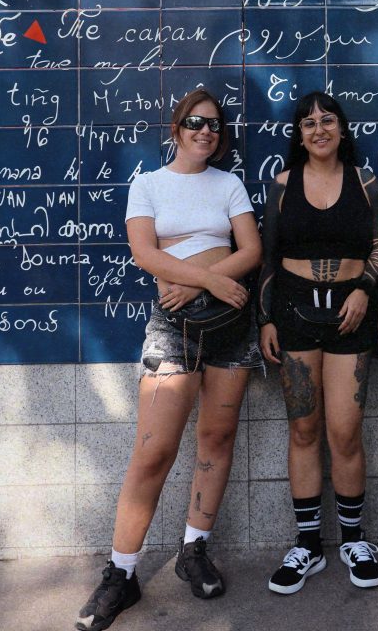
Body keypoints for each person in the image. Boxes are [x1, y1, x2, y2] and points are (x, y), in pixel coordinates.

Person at [76, 89, 262, 631]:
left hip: (231, 326)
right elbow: (144, 253)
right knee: (153, 452)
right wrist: (206, 277)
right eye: (196, 123)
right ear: (177, 128)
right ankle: (122, 573)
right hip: (176, 328)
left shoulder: (229, 184)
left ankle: (194, 550)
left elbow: (251, 250)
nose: (207, 132)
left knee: (217, 440)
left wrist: (206, 278)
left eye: (215, 126)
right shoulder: (148, 184)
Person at [258, 91, 378, 594]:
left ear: (341, 128)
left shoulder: (366, 182)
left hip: (353, 317)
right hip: (293, 314)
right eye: (308, 123)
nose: (318, 129)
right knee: (304, 430)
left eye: (327, 120)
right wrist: (265, 319)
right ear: (299, 134)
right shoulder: (283, 185)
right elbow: (267, 257)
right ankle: (308, 544)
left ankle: (354, 539)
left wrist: (365, 288)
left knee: (345, 432)